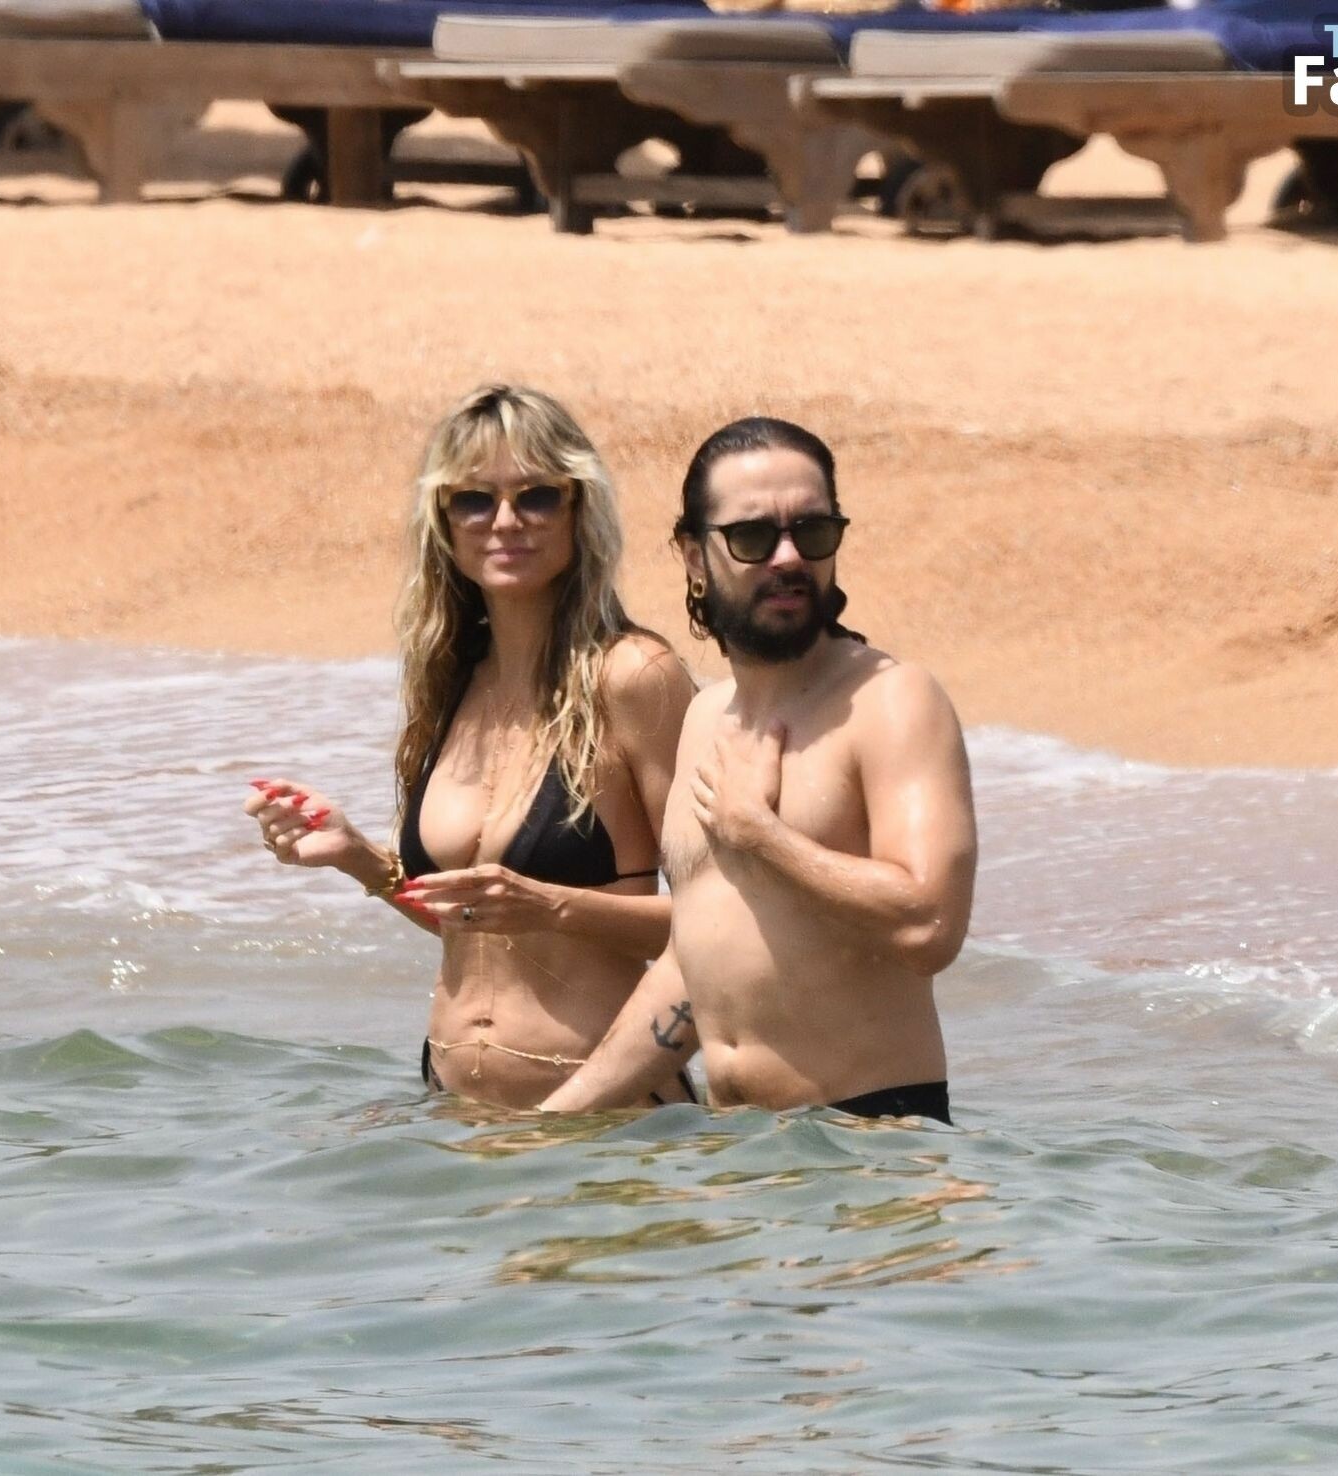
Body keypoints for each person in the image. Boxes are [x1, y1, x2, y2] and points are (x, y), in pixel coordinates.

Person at [244, 385, 697, 1110]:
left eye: (537, 496)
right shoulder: (450, 680)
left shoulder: (633, 677)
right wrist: (358, 857)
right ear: (444, 520)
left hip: (604, 1124)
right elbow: (473, 924)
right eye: (475, 500)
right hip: (453, 1118)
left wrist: (549, 905)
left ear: (578, 509)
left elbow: (726, 923)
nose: (506, 521)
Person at [541, 416, 976, 1124]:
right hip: (736, 1153)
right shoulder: (703, 719)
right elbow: (694, 968)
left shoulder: (892, 701)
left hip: (870, 1145)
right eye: (753, 537)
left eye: (813, 531)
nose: (788, 557)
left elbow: (931, 926)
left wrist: (761, 836)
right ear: (694, 555)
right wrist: (553, 1123)